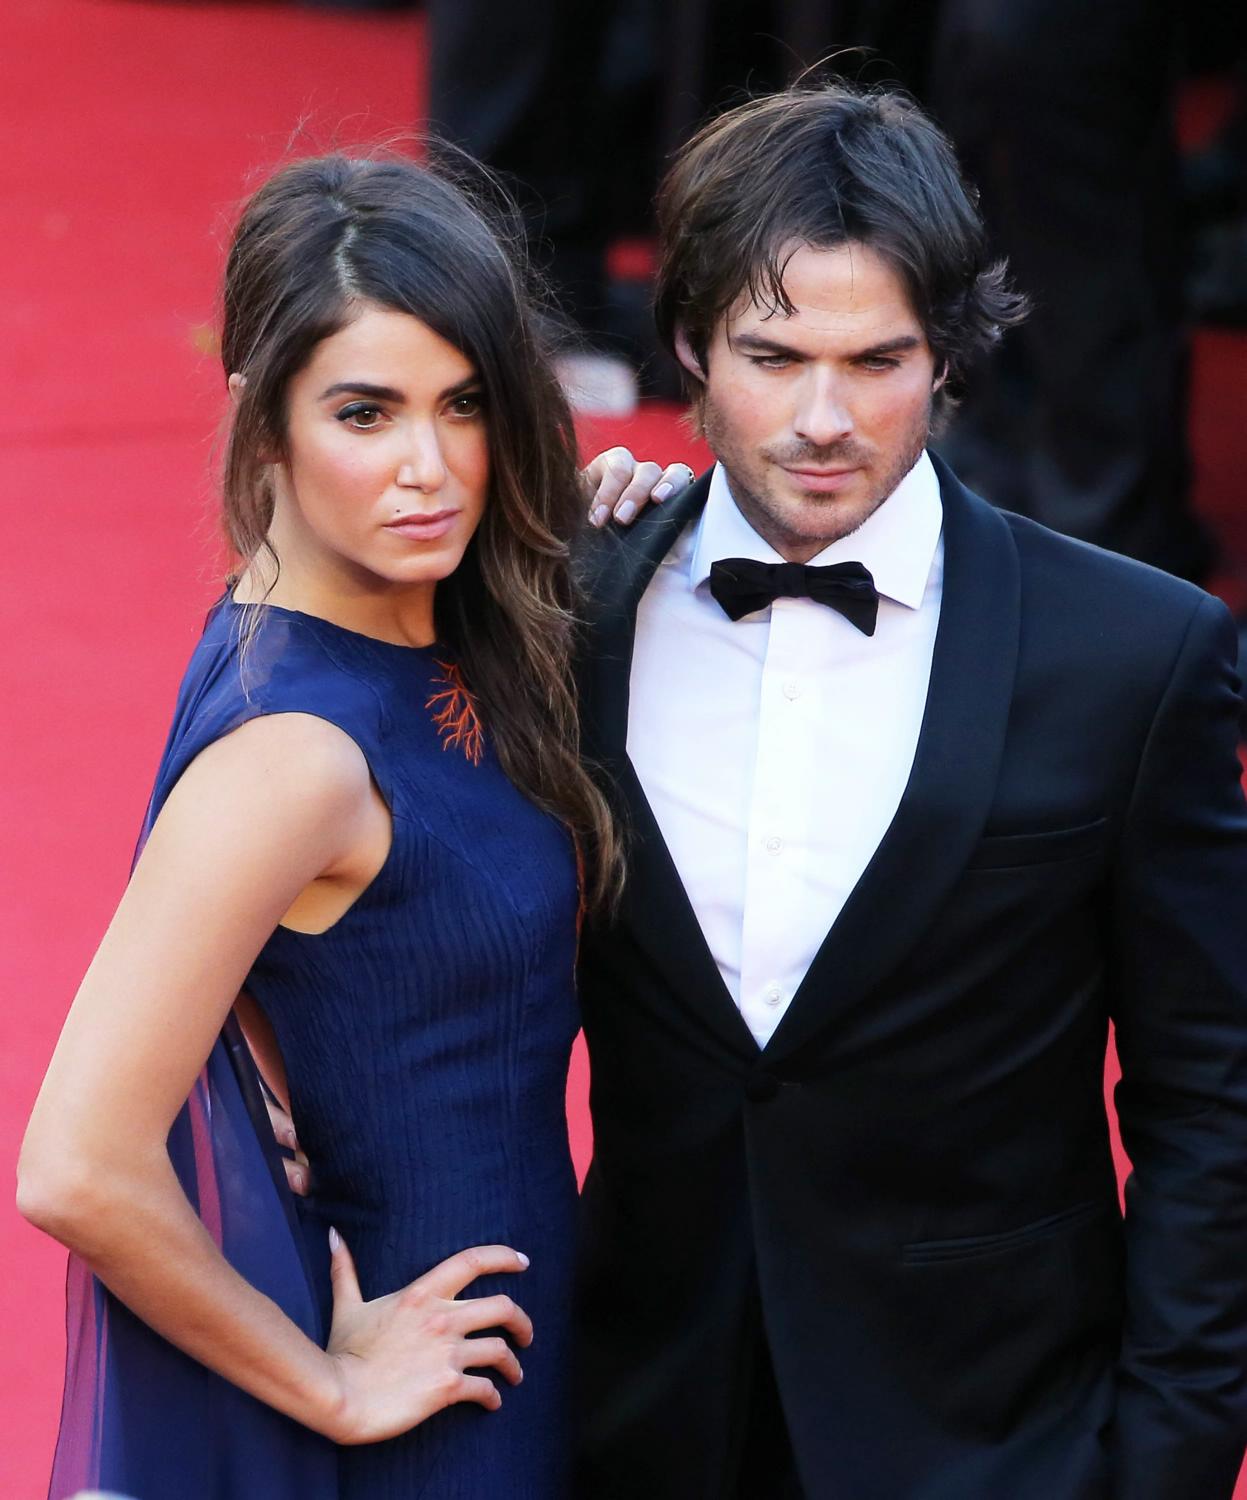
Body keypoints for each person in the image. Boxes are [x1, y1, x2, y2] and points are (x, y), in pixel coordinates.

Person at [570, 83, 1247, 1497]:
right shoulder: (571, 613)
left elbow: (1210, 1100)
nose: (824, 418)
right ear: (688, 344)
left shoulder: (1133, 653)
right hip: (634, 1419)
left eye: (877, 360)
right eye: (772, 355)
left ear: (946, 357)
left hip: (999, 1440)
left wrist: (1167, 1460)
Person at [17, 150, 685, 1500]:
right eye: (365, 414)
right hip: (439, 1381)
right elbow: (76, 1165)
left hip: (513, 1325)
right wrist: (330, 1378)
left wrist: (590, 524)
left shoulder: (371, 616)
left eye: (466, 403)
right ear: (262, 422)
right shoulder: (297, 755)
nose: (429, 468)